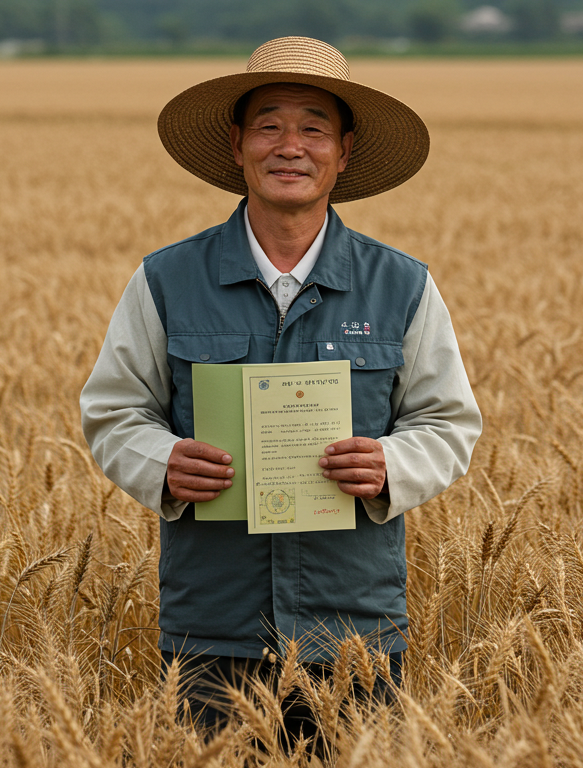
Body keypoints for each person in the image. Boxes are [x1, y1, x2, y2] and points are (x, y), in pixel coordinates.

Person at [79, 36, 482, 738]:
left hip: (354, 630)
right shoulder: (167, 280)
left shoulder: (403, 285)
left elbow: (448, 423)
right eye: (268, 126)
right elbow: (114, 411)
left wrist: (389, 465)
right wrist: (162, 463)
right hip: (212, 629)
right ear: (237, 145)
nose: (290, 147)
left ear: (344, 152)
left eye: (313, 129)